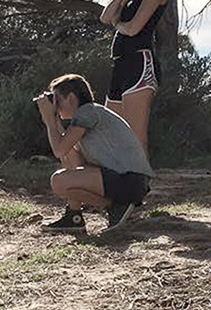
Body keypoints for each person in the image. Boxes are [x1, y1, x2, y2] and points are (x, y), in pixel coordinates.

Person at [35, 73, 154, 234]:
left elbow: (58, 150)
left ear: (70, 98)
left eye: (57, 100)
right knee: (66, 175)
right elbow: (71, 158)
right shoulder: (87, 115)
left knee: (59, 180)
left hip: (129, 180)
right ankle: (74, 217)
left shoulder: (87, 112)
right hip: (130, 181)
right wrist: (54, 121)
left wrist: (49, 120)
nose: (55, 105)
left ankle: (116, 206)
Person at [99, 0, 173, 155]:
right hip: (120, 63)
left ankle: (141, 187)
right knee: (110, 130)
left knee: (135, 134)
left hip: (140, 64)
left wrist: (118, 25)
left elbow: (132, 29)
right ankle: (123, 184)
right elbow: (105, 16)